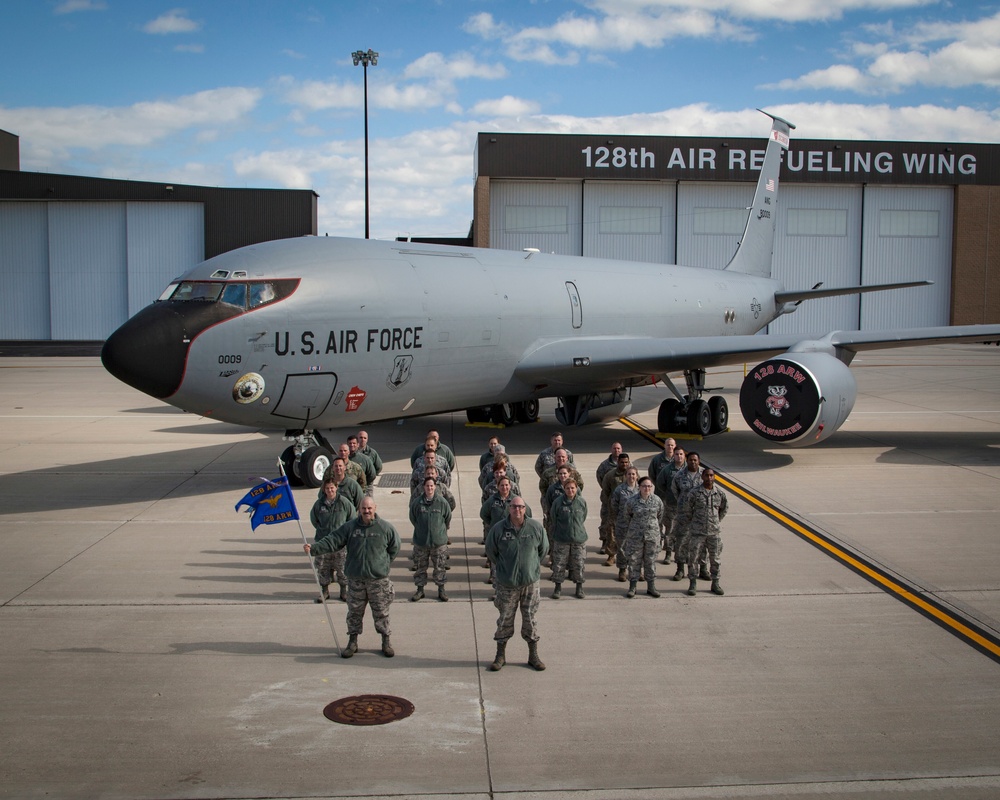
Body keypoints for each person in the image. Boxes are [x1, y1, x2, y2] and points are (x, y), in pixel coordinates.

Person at [303, 497, 400, 659]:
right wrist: (314, 549)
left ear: (375, 508)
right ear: (359, 509)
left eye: (369, 508)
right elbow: (333, 541)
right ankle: (352, 642)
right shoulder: (350, 528)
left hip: (378, 581)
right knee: (354, 613)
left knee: (381, 613)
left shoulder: (386, 528)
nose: (366, 511)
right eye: (364, 508)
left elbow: (394, 548)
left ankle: (385, 641)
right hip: (356, 581)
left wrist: (383, 565)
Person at [485, 498, 548, 672]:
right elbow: (491, 551)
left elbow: (543, 550)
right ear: (509, 509)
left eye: (520, 507)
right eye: (513, 507)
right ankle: (500, 655)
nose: (517, 510)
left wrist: (531, 567)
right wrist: (505, 567)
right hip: (507, 584)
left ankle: (533, 655)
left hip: (529, 583)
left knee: (530, 619)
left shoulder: (535, 528)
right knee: (505, 618)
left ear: (524, 509)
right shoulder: (498, 529)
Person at [309, 478, 357, 603]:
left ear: (336, 488)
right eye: (327, 488)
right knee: (323, 568)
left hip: (340, 543)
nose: (330, 490)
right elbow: (314, 520)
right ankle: (324, 591)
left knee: (342, 568)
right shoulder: (319, 504)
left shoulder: (344, 503)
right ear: (324, 490)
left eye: (332, 488)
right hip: (323, 542)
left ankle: (343, 591)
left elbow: (352, 519)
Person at [683, 468, 728, 597]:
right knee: (693, 558)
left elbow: (724, 508)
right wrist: (695, 522)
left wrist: (716, 521)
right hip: (697, 532)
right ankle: (692, 583)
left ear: (714, 477)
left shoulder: (719, 493)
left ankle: (715, 583)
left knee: (715, 559)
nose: (709, 478)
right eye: (706, 475)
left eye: (711, 475)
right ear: (702, 477)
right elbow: (687, 510)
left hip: (714, 533)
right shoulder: (695, 493)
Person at [409, 477, 453, 602]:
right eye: (427, 486)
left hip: (438, 543)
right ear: (424, 487)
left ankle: (441, 590)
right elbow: (413, 518)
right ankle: (420, 590)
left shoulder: (442, 502)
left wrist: (439, 531)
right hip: (421, 543)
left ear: (435, 487)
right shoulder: (417, 503)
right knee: (420, 568)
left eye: (431, 486)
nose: (429, 488)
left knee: (440, 567)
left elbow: (447, 518)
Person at [622, 477, 664, 598]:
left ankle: (651, 586)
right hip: (635, 536)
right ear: (639, 487)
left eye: (649, 486)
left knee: (650, 561)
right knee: (634, 561)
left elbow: (660, 516)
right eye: (644, 486)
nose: (647, 489)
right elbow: (627, 516)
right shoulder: (631, 501)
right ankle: (632, 587)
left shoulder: (657, 500)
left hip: (652, 537)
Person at [549, 478, 588, 599]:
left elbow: (583, 517)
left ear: (576, 488)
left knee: (579, 564)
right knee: (559, 564)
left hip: (578, 538)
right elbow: (553, 517)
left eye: (572, 488)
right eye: (567, 488)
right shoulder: (558, 502)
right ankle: (557, 587)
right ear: (564, 489)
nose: (570, 490)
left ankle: (579, 587)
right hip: (561, 538)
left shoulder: (581, 502)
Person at [670, 450, 705, 581]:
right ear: (687, 461)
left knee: (701, 541)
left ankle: (703, 568)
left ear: (699, 461)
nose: (693, 462)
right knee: (681, 541)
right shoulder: (680, 475)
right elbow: (675, 490)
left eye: (695, 460)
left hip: (700, 515)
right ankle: (680, 569)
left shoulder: (704, 475)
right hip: (684, 515)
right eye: (690, 460)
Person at [655, 447, 687, 564]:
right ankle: (668, 553)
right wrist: (669, 493)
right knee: (670, 530)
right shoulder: (667, 470)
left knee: (685, 532)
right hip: (672, 505)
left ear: (684, 456)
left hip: (686, 507)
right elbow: (660, 483)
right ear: (674, 456)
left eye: (681, 454)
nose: (679, 456)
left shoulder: (689, 470)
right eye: (677, 454)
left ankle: (681, 554)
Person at [609, 466, 640, 580]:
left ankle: (637, 569)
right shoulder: (620, 489)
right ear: (625, 476)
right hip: (623, 523)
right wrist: (619, 518)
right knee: (622, 547)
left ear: (636, 476)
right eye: (629, 474)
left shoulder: (641, 489)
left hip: (638, 524)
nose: (631, 476)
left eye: (633, 474)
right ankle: (622, 569)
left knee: (637, 547)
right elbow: (614, 505)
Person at [599, 452, 631, 557]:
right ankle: (611, 555)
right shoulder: (610, 475)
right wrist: (609, 506)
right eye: (622, 462)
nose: (624, 464)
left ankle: (627, 556)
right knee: (612, 533)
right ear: (618, 462)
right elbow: (605, 491)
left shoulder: (632, 474)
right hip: (614, 509)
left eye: (626, 462)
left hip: (629, 510)